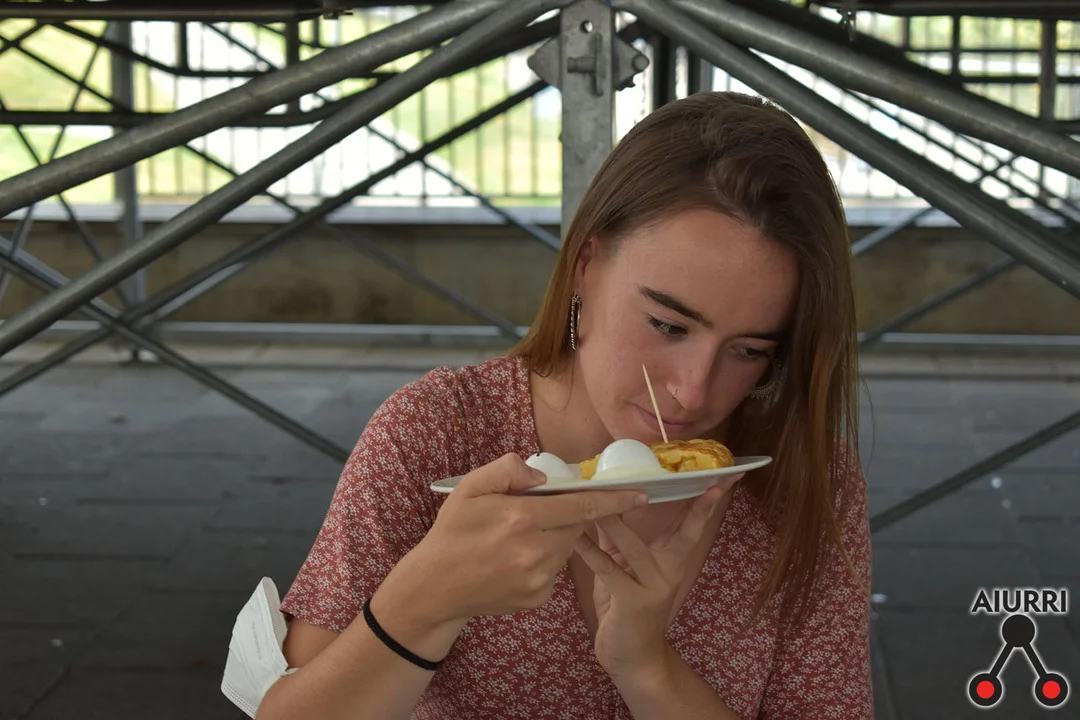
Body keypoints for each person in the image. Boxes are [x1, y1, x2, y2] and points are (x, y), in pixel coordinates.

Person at [253, 91, 872, 720]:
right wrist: (423, 604)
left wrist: (648, 668)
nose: (693, 391)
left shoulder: (804, 478)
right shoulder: (438, 432)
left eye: (748, 350)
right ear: (585, 265)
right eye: (667, 325)